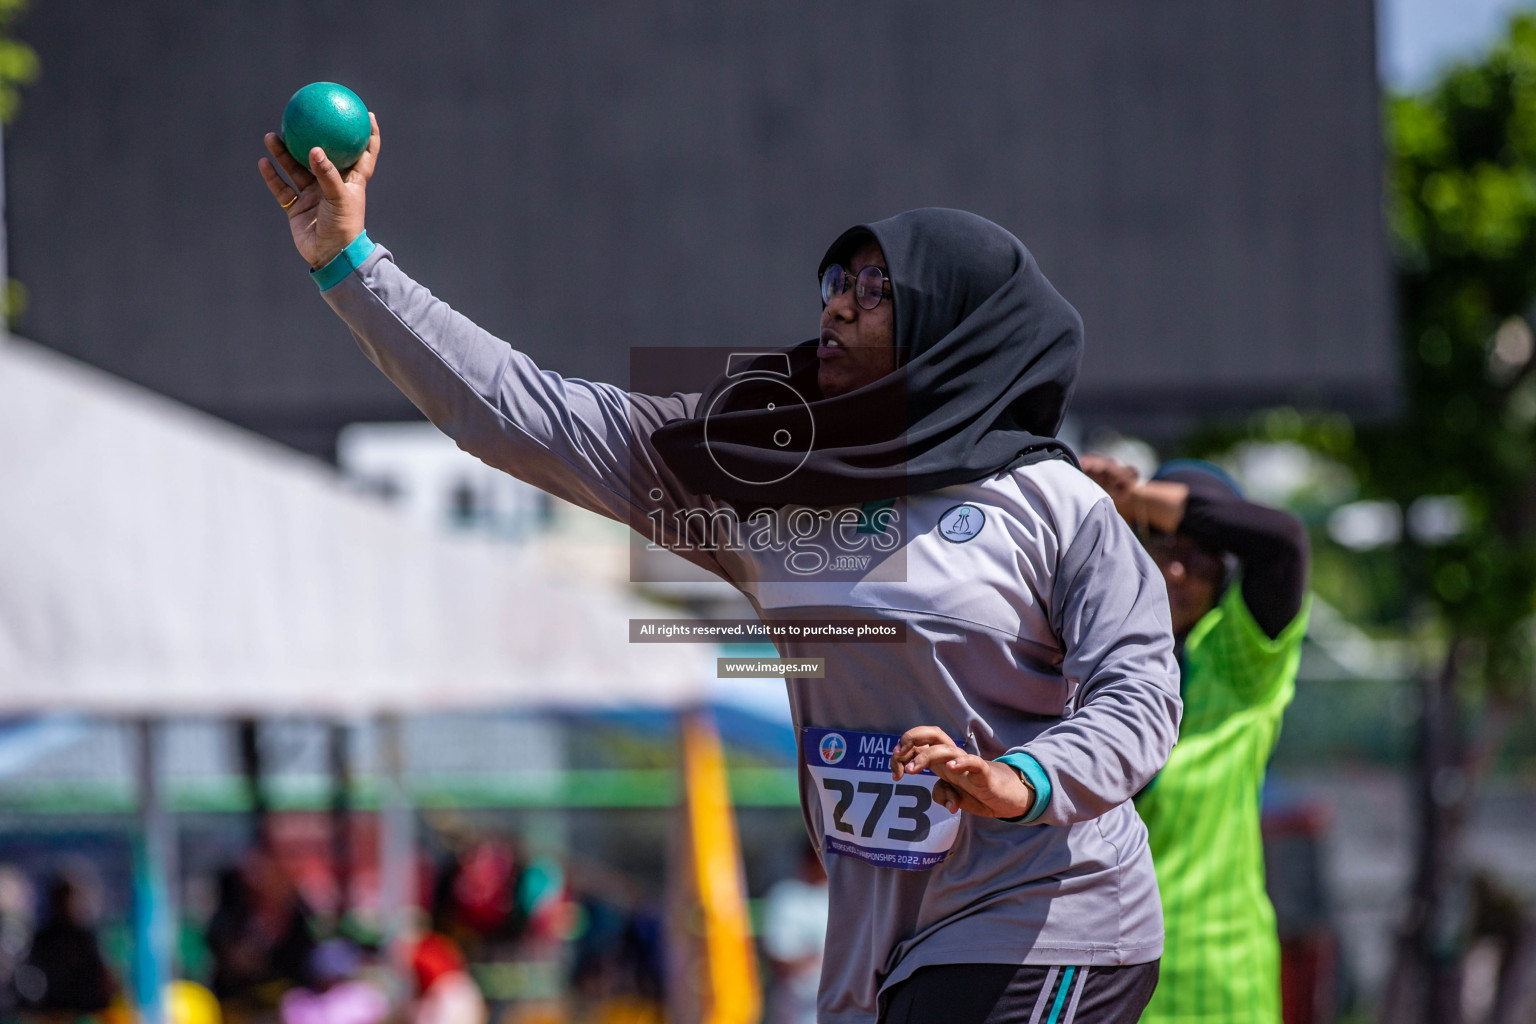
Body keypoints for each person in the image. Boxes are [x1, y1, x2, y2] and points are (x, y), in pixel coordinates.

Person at [258, 120, 1182, 1024]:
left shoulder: (1057, 506)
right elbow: (521, 411)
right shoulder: (767, 474)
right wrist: (351, 265)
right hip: (882, 939)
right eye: (835, 280)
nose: (836, 306)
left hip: (1051, 915)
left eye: (876, 289)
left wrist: (1023, 778)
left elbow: (1139, 690)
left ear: (957, 324)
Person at [1080, 455, 1310, 1024]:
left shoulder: (1237, 661)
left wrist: (1135, 500)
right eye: (1164, 548)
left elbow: (1281, 541)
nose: (1179, 572)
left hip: (1212, 981)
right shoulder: (1091, 649)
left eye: (1200, 560)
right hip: (1096, 972)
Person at [762, 843, 830, 1024]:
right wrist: (820, 957)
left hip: (839, 1005)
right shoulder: (788, 897)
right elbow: (780, 961)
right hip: (798, 1009)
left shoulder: (840, 896)